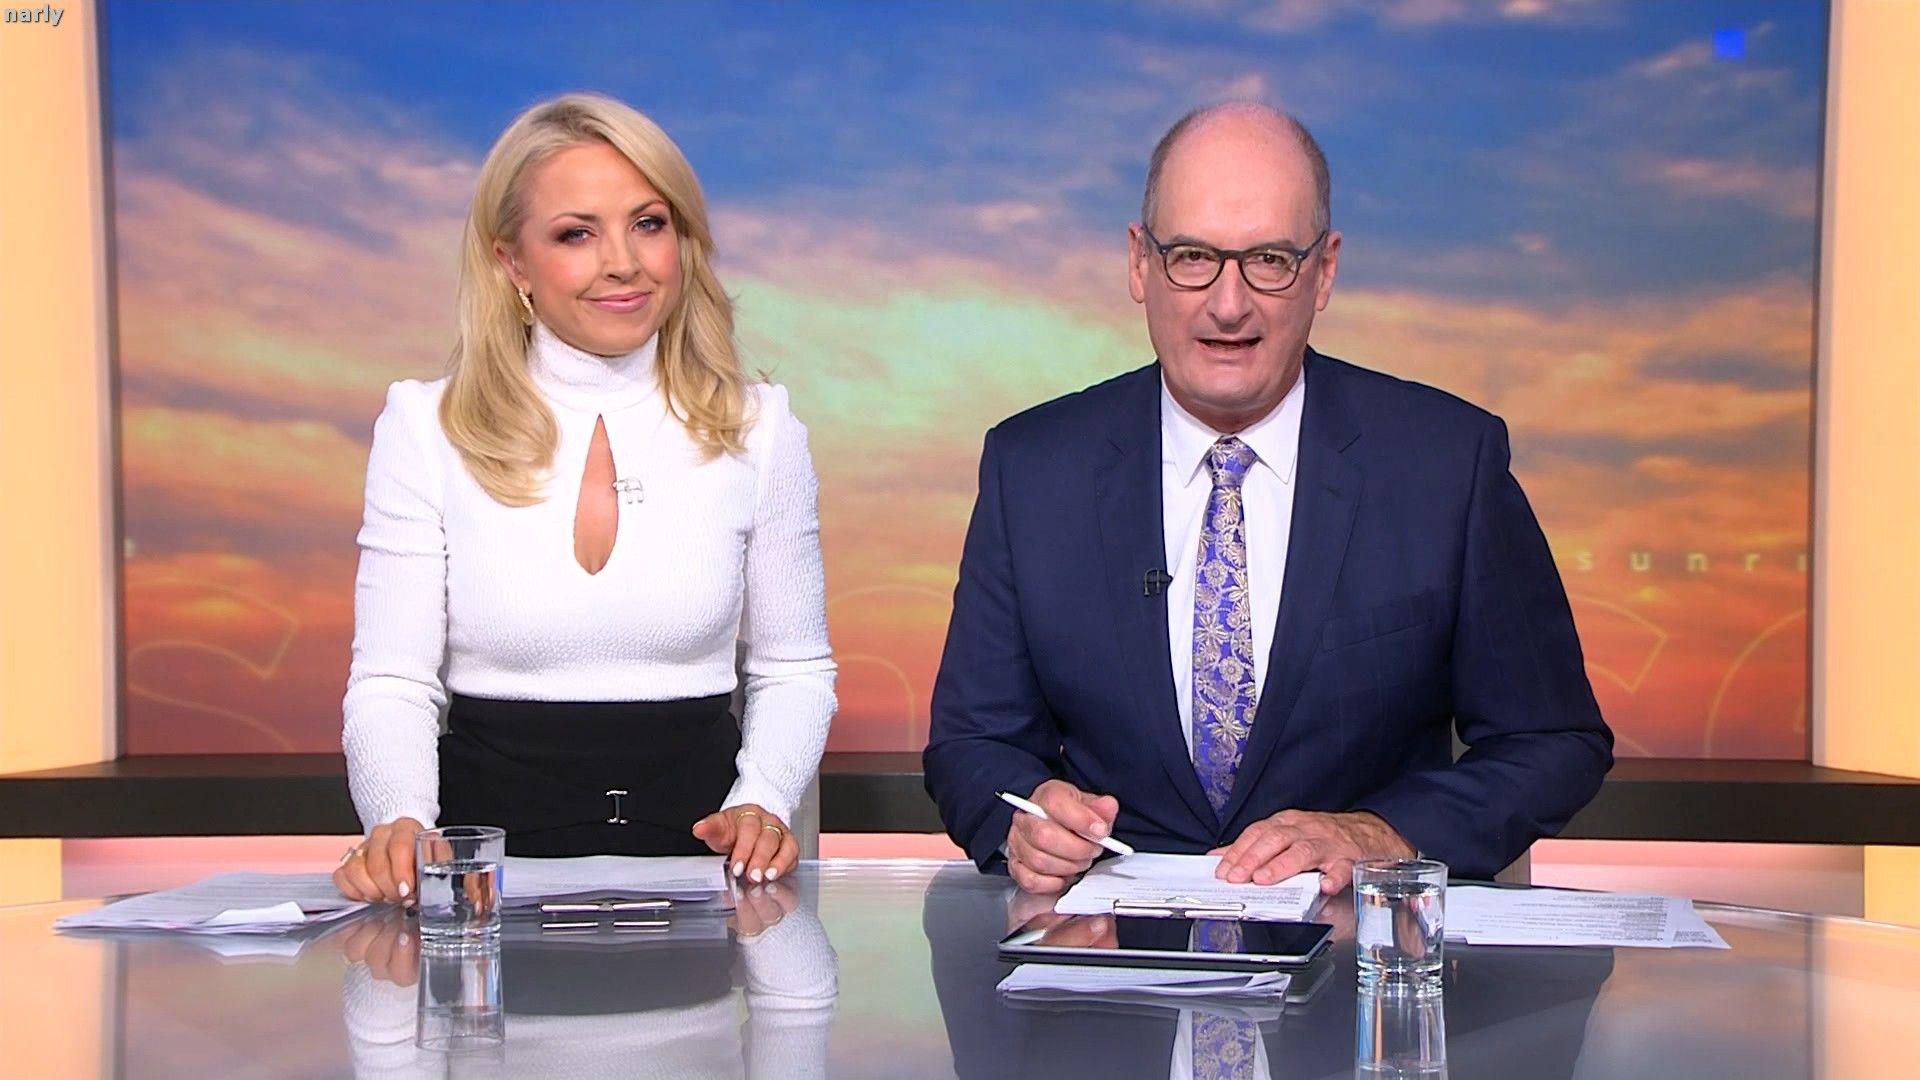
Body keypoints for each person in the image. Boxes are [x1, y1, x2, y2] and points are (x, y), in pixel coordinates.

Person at [923, 101, 1612, 896]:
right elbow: (972, 746)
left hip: (1354, 952)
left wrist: (1384, 834)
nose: (1229, 304)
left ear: (1324, 270)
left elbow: (1553, 742)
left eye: (1270, 261)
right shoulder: (1034, 468)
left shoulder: (1447, 464)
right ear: (1139, 263)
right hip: (1105, 953)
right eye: (1192, 257)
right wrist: (1024, 820)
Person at [334, 93, 835, 903]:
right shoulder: (425, 427)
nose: (624, 263)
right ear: (512, 263)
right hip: (481, 883)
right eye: (577, 234)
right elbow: (393, 678)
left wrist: (763, 800)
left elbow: (794, 666)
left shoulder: (761, 428)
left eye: (649, 224)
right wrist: (399, 819)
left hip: (706, 877)